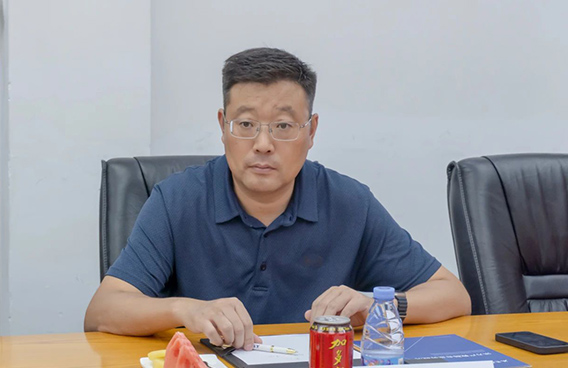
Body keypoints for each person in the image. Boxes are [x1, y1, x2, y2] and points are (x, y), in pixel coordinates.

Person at [84, 48, 471, 350]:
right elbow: (102, 311)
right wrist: (185, 309)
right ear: (222, 126)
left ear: (311, 131)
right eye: (246, 124)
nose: (263, 144)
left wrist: (377, 306)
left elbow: (453, 295)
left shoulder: (349, 203)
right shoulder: (177, 200)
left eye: (283, 126)